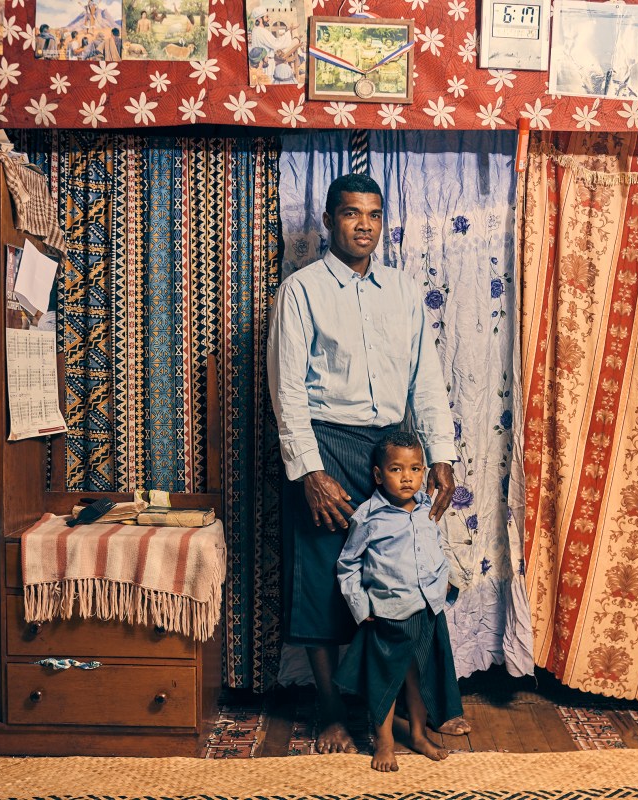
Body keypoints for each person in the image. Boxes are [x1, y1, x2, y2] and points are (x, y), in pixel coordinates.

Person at [268, 173, 469, 755]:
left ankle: (415, 708)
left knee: (406, 581)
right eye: (351, 213)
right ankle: (332, 711)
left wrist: (441, 455)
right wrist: (310, 472)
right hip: (326, 443)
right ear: (328, 221)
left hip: (391, 452)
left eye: (374, 215)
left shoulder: (404, 292)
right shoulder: (301, 291)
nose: (363, 225)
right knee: (326, 578)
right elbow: (287, 390)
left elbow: (425, 379)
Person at [333, 430, 463, 772]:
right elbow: (348, 565)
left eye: (416, 469)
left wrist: (442, 582)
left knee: (420, 677)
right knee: (385, 680)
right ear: (379, 474)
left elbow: (433, 548)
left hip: (427, 610)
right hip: (389, 613)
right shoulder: (368, 516)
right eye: (396, 469)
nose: (408, 477)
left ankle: (419, 735)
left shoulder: (427, 509)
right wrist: (361, 608)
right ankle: (385, 743)